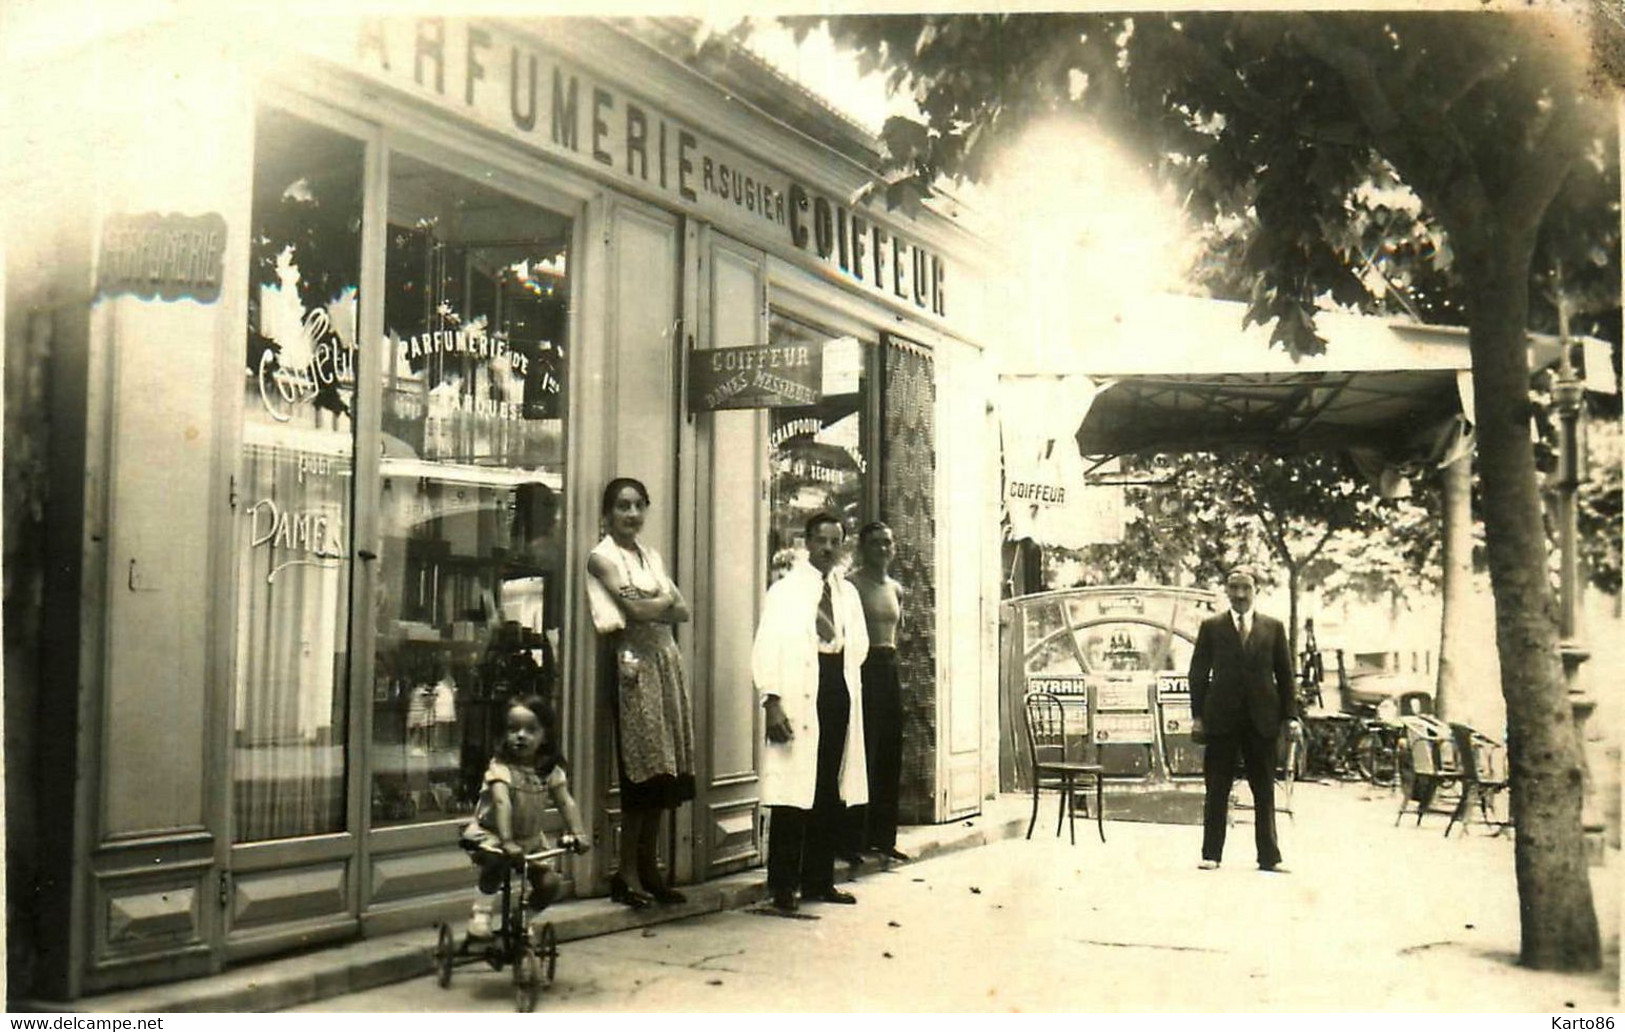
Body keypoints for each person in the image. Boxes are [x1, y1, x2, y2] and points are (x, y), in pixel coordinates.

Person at [586, 477, 697, 908]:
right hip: (632, 665)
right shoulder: (602, 558)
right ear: (607, 512)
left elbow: (683, 610)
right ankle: (625, 873)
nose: (631, 515)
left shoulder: (649, 556)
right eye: (621, 506)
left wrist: (654, 605)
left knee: (664, 769)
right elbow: (631, 610)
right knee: (641, 768)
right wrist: (658, 604)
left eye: (638, 506)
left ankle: (650, 869)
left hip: (665, 663)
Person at [752, 512, 870, 912]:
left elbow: (861, 645)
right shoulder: (784, 592)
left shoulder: (846, 594)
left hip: (835, 686)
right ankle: (783, 886)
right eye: (821, 540)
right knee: (791, 793)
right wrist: (772, 700)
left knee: (827, 788)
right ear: (806, 542)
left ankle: (819, 880)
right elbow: (766, 646)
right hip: (797, 692)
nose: (828, 548)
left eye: (836, 541)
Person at [1188, 567, 1299, 873]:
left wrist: (1290, 716)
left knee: (1264, 789)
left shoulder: (1273, 627)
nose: (1239, 594)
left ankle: (1270, 857)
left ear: (1255, 591)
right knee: (1217, 788)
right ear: (1226, 590)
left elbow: (1286, 675)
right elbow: (1197, 674)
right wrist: (1197, 716)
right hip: (1221, 720)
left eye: (1245, 588)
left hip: (1263, 720)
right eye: (1233, 588)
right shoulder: (1211, 627)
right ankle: (1211, 853)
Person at [460, 694, 589, 938]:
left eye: (531, 730)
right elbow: (501, 801)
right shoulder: (501, 768)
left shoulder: (548, 771)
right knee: (495, 864)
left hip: (529, 839)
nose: (521, 735)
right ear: (504, 734)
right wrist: (506, 840)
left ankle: (522, 919)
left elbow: (565, 801)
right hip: (494, 834)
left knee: (550, 884)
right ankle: (481, 913)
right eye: (513, 729)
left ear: (545, 736)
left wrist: (578, 832)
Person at [846, 521, 909, 863]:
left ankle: (883, 838)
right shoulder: (852, 584)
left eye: (887, 542)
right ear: (862, 548)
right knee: (861, 753)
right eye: (874, 544)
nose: (882, 549)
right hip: (863, 667)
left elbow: (897, 634)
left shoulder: (896, 588)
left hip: (889, 666)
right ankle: (852, 838)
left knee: (889, 751)